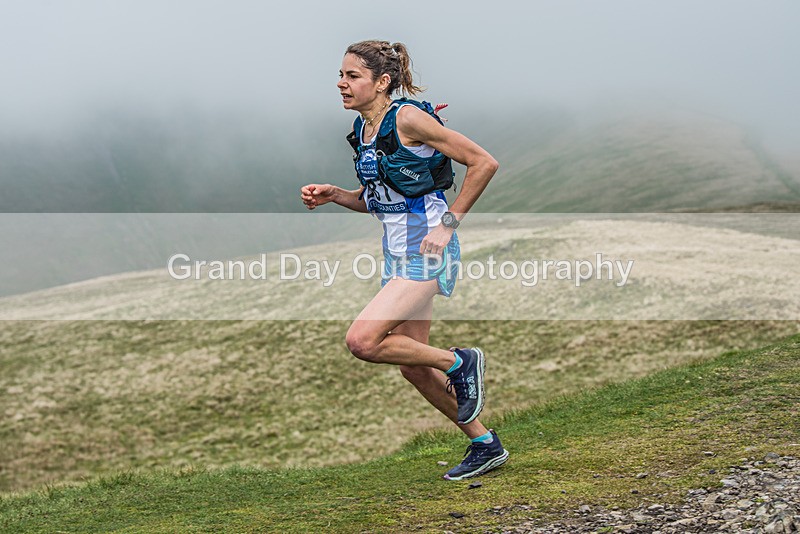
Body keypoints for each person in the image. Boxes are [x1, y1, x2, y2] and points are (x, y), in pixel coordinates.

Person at [300, 39, 507, 480]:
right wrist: (337, 195)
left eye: (352, 76)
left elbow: (483, 162)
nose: (341, 83)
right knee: (413, 366)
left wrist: (447, 225)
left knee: (363, 342)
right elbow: (380, 200)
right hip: (396, 257)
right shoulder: (362, 132)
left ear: (382, 81)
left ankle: (459, 362)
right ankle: (484, 443)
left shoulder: (408, 117)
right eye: (340, 75)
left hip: (429, 253)